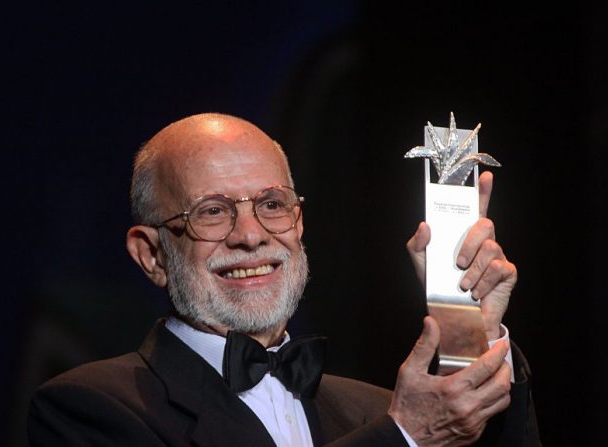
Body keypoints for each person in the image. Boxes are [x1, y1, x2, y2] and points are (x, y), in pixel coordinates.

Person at [28, 113, 540, 446]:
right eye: (212, 212)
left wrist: (467, 334)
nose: (250, 236)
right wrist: (401, 436)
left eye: (272, 205)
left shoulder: (371, 408)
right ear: (151, 254)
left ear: (298, 225)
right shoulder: (87, 410)